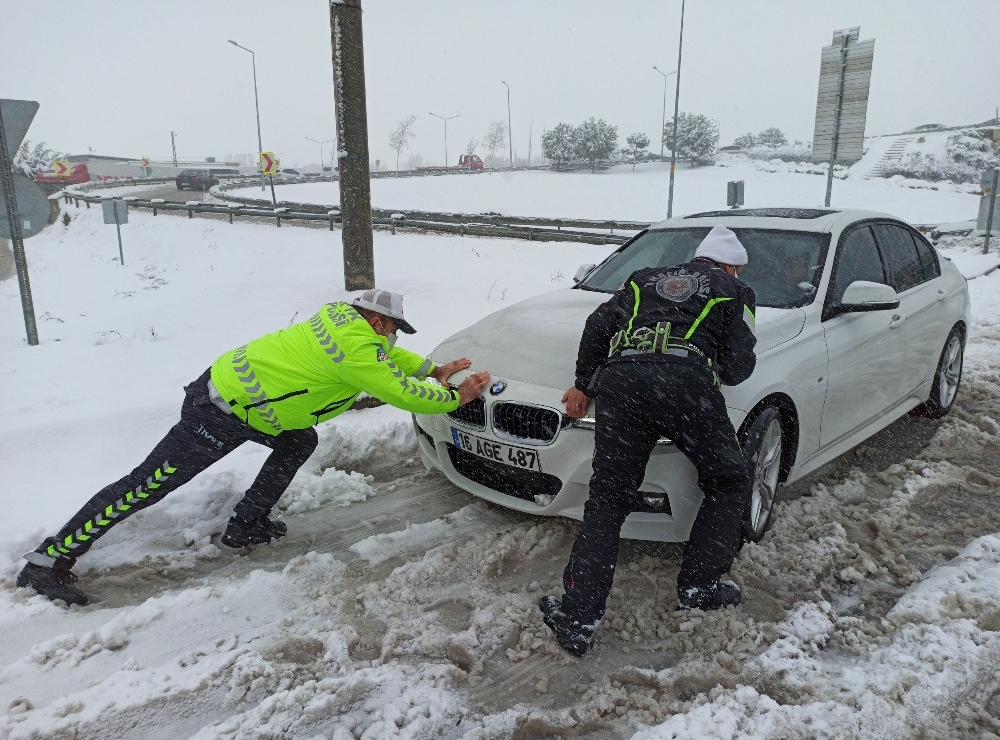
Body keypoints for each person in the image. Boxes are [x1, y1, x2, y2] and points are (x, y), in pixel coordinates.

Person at [17, 289, 491, 606]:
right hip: (218, 413)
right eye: (390, 328)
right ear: (375, 318)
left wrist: (429, 368)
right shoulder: (355, 348)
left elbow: (388, 359)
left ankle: (246, 524)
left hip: (249, 407)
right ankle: (48, 559)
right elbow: (398, 390)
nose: (391, 337)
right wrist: (454, 394)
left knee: (298, 441)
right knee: (146, 485)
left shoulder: (344, 323)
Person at [539, 225, 757, 656]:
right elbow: (737, 368)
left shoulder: (643, 279)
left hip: (623, 383)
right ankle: (699, 588)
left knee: (607, 498)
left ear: (697, 258)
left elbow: (596, 325)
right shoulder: (735, 291)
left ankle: (578, 617)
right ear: (731, 265)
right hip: (685, 383)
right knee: (729, 479)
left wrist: (585, 383)